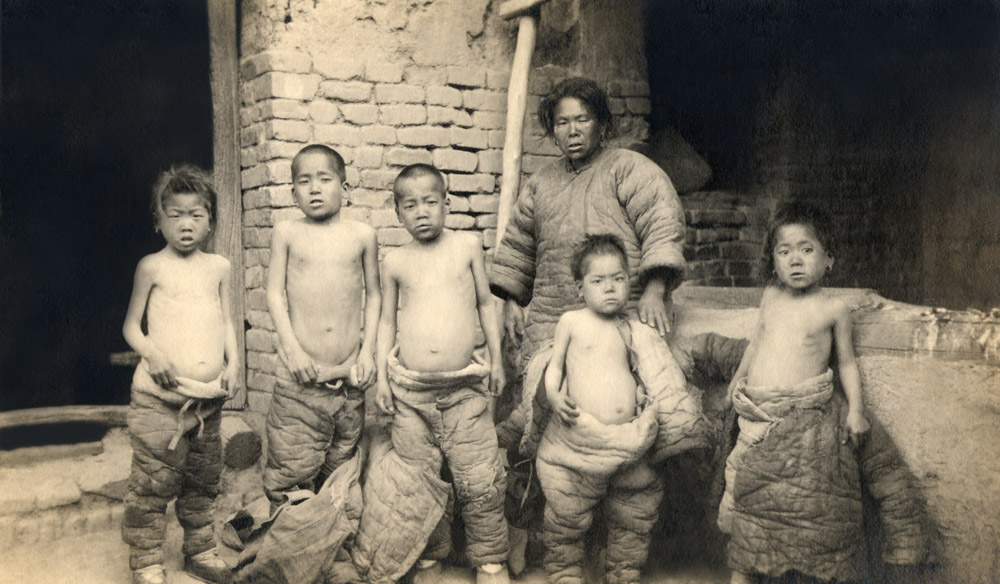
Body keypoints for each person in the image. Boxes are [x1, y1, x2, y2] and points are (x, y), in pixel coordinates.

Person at [488, 76, 688, 572]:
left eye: (582, 120)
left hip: (623, 318)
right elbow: (518, 246)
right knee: (539, 422)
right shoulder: (541, 184)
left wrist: (658, 288)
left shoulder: (630, 170)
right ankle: (537, 535)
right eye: (562, 123)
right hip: (555, 321)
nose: (573, 131)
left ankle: (633, 546)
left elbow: (661, 221)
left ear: (601, 123)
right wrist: (512, 299)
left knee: (643, 424)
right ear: (551, 131)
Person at [354, 164, 510, 584]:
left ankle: (490, 560)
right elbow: (387, 321)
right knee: (419, 478)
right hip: (411, 394)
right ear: (397, 212)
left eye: (430, 202)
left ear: (447, 202)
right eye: (410, 205)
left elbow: (484, 304)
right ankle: (429, 557)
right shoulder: (396, 260)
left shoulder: (467, 246)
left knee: (480, 476)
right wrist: (384, 379)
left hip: (465, 388)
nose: (421, 212)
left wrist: (496, 360)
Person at [719, 202, 871, 584]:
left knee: (796, 503)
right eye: (784, 252)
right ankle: (743, 573)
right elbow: (756, 344)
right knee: (745, 495)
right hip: (756, 415)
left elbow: (847, 364)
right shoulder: (770, 296)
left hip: (797, 421)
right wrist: (736, 380)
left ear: (829, 259)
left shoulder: (833, 309)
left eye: (807, 249)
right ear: (773, 261)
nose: (796, 260)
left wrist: (856, 410)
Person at [121, 164, 238, 584]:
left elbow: (227, 321)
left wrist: (234, 364)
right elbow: (131, 327)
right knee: (152, 483)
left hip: (207, 401)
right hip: (160, 401)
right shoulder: (151, 267)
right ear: (159, 222)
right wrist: (152, 354)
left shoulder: (220, 267)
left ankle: (201, 550)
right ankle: (147, 560)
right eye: (175, 215)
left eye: (196, 214)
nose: (186, 224)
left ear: (210, 221)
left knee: (203, 483)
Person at [538, 234, 664, 584]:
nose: (610, 288)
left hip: (627, 442)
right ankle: (565, 572)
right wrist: (553, 394)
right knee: (566, 510)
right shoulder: (572, 322)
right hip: (581, 439)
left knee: (634, 509)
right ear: (580, 288)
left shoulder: (631, 328)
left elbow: (649, 371)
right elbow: (555, 367)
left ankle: (624, 570)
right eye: (598, 281)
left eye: (618, 279)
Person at [262, 144, 380, 506]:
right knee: (290, 468)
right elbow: (274, 294)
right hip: (300, 377)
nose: (314, 188)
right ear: (292, 192)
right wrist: (292, 350)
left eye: (325, 179)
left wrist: (367, 353)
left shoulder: (362, 235)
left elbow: (374, 295)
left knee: (340, 468)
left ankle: (332, 542)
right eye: (304, 181)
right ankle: (280, 536)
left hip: (348, 378)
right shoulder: (287, 232)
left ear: (345, 189)